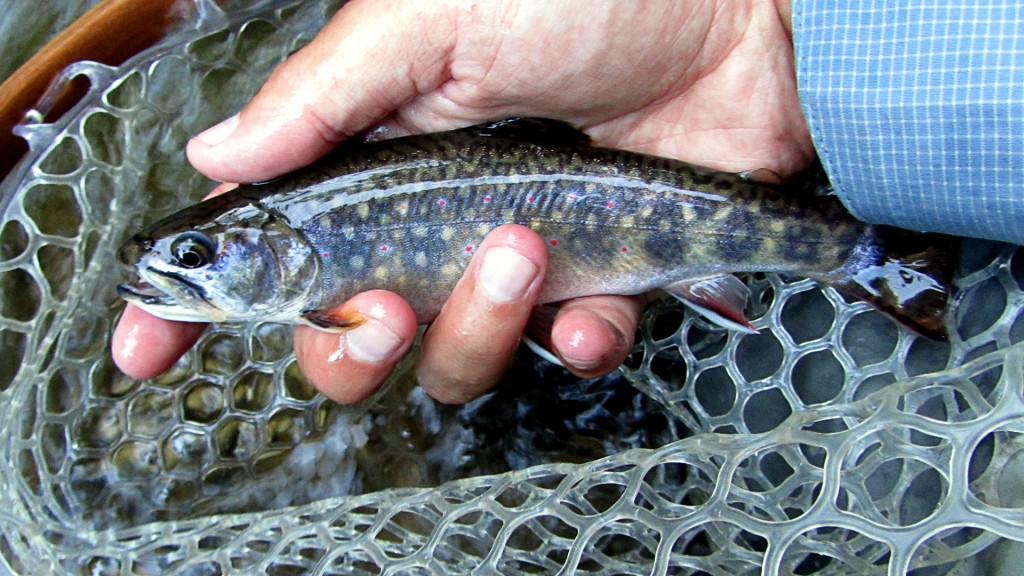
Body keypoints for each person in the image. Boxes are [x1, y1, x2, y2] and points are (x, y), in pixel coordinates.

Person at [112, 0, 1024, 404]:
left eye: (193, 256)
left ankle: (871, 255)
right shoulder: (310, 253)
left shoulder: (325, 287)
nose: (169, 272)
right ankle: (871, 250)